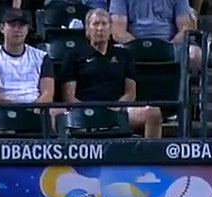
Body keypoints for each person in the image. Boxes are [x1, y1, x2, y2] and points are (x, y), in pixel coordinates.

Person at [60, 8, 163, 138]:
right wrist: (88, 112)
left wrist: (115, 108)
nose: (100, 28)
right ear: (87, 29)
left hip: (118, 109)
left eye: (104, 24)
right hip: (85, 111)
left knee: (153, 113)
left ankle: (150, 156)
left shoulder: (124, 55)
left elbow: (130, 92)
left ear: (110, 28)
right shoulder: (74, 55)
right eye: (95, 24)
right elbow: (69, 96)